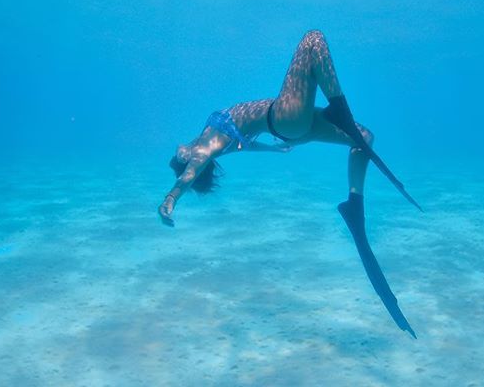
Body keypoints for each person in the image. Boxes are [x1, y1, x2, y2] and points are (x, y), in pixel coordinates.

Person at [159, 30, 420, 337]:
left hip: (292, 127)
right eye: (180, 158)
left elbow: (245, 144)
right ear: (187, 160)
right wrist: (171, 198)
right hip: (286, 117)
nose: (178, 151)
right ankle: (340, 109)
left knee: (364, 138)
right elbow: (190, 173)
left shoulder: (217, 143)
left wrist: (275, 149)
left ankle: (354, 205)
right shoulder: (202, 150)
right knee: (312, 41)